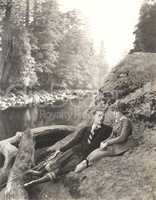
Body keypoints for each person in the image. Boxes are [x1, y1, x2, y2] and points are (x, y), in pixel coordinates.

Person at [24, 106, 112, 187]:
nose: (102, 118)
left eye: (103, 116)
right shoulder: (86, 129)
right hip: (74, 150)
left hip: (83, 156)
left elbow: (114, 135)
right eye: (99, 116)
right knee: (56, 163)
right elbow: (75, 141)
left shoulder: (107, 130)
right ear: (94, 116)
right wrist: (61, 149)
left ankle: (35, 182)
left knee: (62, 170)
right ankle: (39, 173)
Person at [75, 101, 133, 172]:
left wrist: (108, 143)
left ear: (121, 112)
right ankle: (85, 162)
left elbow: (122, 138)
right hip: (114, 144)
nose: (114, 113)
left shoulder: (125, 122)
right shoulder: (118, 121)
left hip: (121, 145)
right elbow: (112, 135)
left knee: (97, 154)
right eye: (114, 111)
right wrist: (104, 141)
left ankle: (85, 164)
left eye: (116, 111)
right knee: (94, 152)